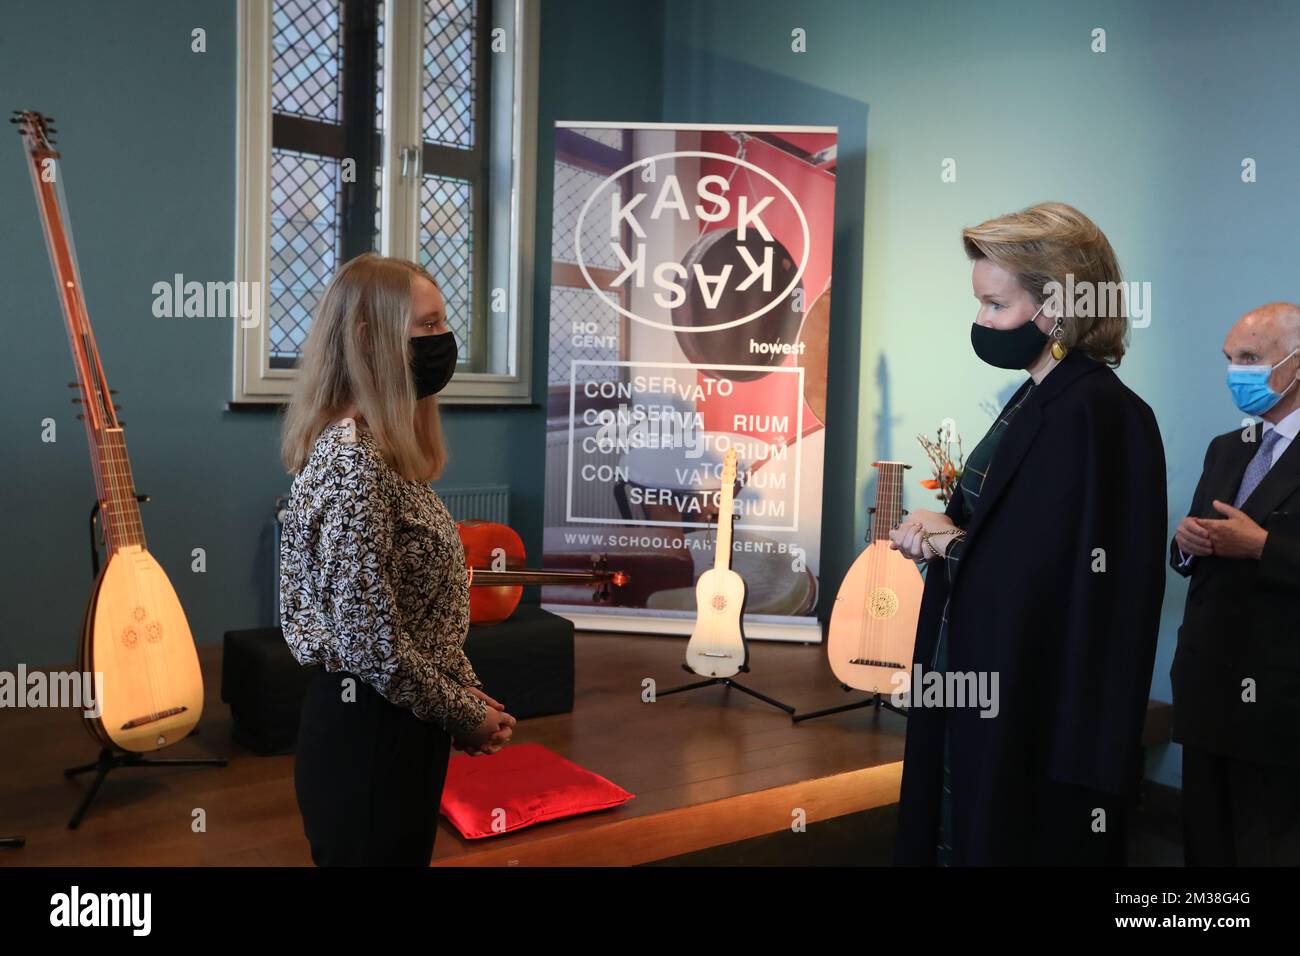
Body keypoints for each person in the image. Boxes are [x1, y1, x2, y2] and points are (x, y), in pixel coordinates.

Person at [890, 202, 1167, 865]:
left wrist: (948, 542)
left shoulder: (1103, 415)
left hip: (1035, 711)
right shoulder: (1033, 400)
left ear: (1060, 307)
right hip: (982, 686)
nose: (981, 323)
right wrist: (952, 533)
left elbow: (1082, 580)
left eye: (995, 306)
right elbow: (1020, 537)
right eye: (980, 305)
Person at [279, 252, 515, 866]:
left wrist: (462, 690)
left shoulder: (381, 453)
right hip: (367, 736)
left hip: (400, 722)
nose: (444, 342)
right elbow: (368, 643)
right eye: (429, 327)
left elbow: (411, 618)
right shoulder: (353, 463)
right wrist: (464, 712)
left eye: (443, 324)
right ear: (368, 338)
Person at [1171, 301, 1300, 866]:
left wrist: (1262, 547)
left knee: (1266, 844)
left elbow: (1254, 544)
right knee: (1206, 844)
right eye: (1229, 358)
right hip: (1206, 684)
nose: (1235, 372)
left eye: (1250, 358)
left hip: (1280, 700)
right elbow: (1197, 543)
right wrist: (1184, 542)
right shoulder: (1229, 447)